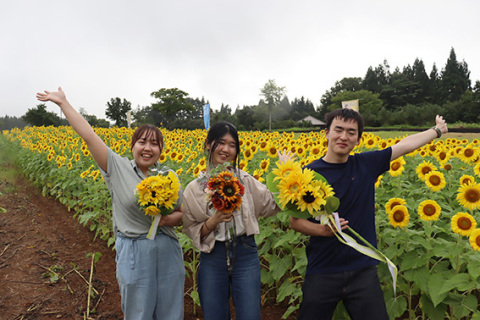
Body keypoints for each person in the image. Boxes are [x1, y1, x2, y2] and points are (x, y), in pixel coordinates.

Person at [36, 87, 185, 320]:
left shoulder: (169, 176)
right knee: (138, 312)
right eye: (142, 142)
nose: (148, 148)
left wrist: (165, 218)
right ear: (132, 145)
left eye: (154, 144)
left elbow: (181, 214)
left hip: (168, 250)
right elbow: (89, 136)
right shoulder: (117, 167)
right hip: (135, 251)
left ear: (161, 150)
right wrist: (64, 104)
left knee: (171, 312)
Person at [290, 108, 448, 320]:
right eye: (338, 130)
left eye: (351, 132)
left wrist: (437, 130)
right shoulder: (308, 174)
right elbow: (296, 222)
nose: (344, 136)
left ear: (358, 139)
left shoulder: (365, 164)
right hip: (323, 270)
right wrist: (323, 230)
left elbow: (404, 145)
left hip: (362, 270)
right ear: (326, 133)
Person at [182, 121, 291, 320]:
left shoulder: (246, 181)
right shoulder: (194, 188)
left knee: (250, 315)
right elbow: (192, 230)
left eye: (232, 145)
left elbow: (272, 204)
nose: (226, 149)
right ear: (208, 144)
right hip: (213, 256)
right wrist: (213, 220)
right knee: (215, 315)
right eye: (221, 143)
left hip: (245, 253)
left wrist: (285, 173)